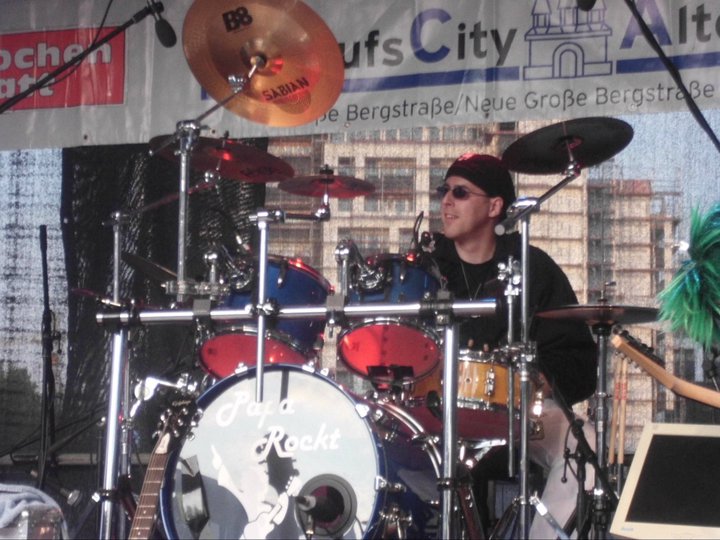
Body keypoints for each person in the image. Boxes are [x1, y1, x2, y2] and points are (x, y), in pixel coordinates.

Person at [427, 152, 598, 538]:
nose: (446, 201)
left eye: (460, 192)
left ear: (494, 207)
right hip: (433, 411)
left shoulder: (532, 267)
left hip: (517, 415)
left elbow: (580, 362)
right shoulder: (425, 266)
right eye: (444, 191)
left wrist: (541, 380)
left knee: (580, 444)